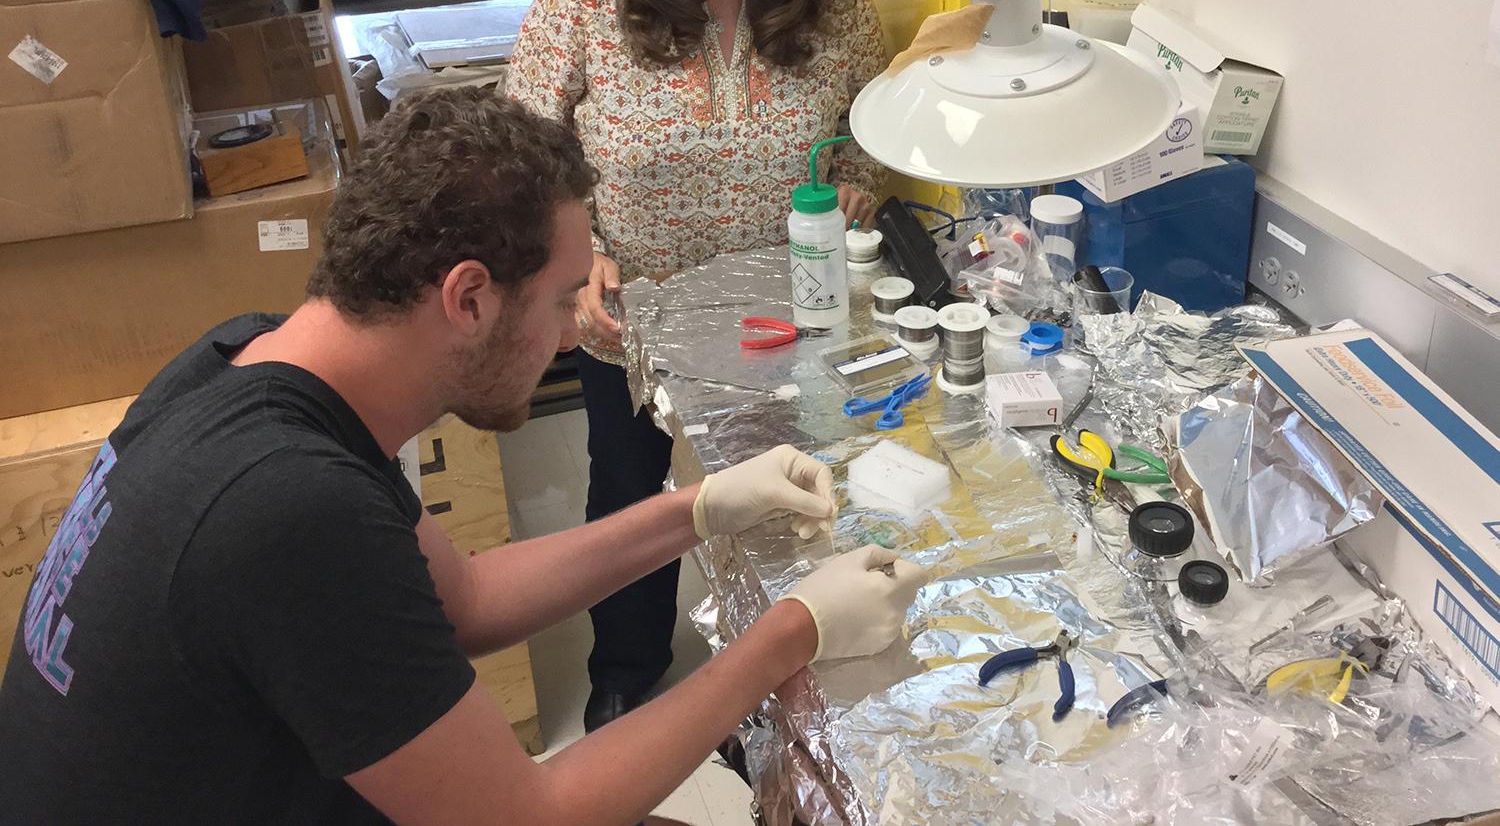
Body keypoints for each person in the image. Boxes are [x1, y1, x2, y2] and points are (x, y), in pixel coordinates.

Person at [0, 88, 925, 825]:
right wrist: (793, 630)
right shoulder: (283, 509)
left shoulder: (244, 361)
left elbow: (468, 600)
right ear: (469, 296)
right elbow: (531, 813)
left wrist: (698, 506)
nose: (572, 336)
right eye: (563, 301)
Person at [509, 0, 889, 732]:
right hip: (628, 315)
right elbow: (522, 154)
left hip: (780, 315)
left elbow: (871, 131)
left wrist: (853, 191)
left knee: (780, 500)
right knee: (631, 504)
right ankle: (625, 669)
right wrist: (573, 249)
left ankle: (775, 684)